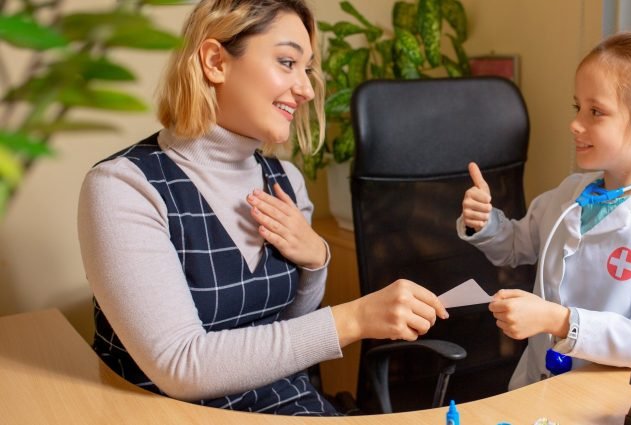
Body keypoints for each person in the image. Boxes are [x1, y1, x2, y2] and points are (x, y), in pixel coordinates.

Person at [78, 0, 447, 416]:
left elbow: (287, 329)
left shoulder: (285, 180)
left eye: (306, 69)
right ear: (216, 61)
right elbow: (180, 365)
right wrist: (353, 319)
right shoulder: (123, 187)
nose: (306, 88)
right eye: (287, 62)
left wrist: (315, 263)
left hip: (288, 404)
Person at [458, 30, 631, 390]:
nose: (576, 124)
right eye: (578, 108)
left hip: (599, 398)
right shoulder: (571, 192)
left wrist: (561, 322)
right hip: (534, 385)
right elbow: (514, 246)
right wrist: (483, 221)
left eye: (596, 112)